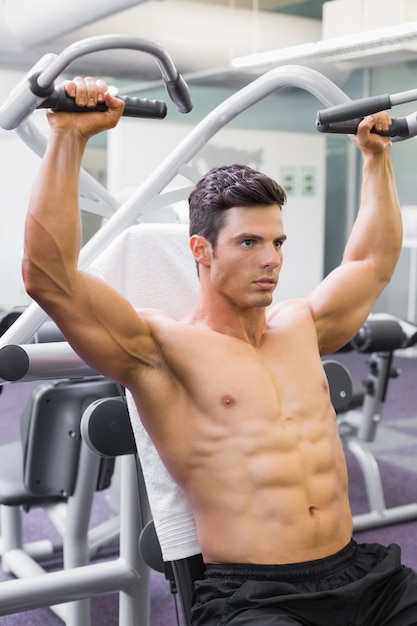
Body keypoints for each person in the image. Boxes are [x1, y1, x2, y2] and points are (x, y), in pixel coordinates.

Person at [22, 77, 417, 625]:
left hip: (364, 575)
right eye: (249, 243)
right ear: (201, 250)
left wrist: (377, 160)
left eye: (277, 242)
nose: (271, 260)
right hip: (258, 595)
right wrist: (67, 137)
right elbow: (50, 280)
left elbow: (370, 264)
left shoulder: (300, 323)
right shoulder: (162, 349)